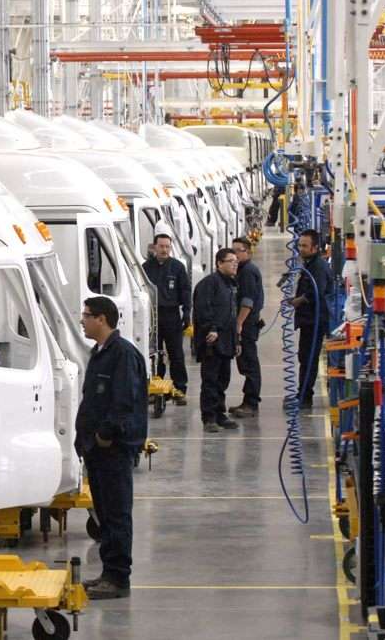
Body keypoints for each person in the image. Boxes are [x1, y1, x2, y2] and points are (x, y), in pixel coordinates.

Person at [76, 295, 148, 600]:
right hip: (97, 449)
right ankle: (108, 572)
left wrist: (106, 434)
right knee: (106, 513)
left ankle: (119, 578)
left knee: (117, 515)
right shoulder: (101, 352)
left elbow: (124, 401)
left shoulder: (123, 354)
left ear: (102, 319)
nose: (82, 320)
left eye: (86, 315)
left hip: (113, 450)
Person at [192, 249, 241, 433]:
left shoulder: (230, 284)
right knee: (210, 380)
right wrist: (211, 329)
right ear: (219, 263)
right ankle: (209, 417)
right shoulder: (209, 284)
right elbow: (203, 310)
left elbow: (232, 314)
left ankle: (220, 413)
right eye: (230, 261)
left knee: (223, 380)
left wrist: (236, 340)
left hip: (227, 340)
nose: (235, 264)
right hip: (212, 341)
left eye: (236, 261)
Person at [141, 233, 191, 408]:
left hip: (171, 316)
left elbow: (185, 291)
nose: (164, 250)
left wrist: (187, 313)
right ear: (154, 247)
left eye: (167, 247)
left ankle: (180, 389)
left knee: (176, 353)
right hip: (153, 317)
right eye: (161, 246)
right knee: (155, 354)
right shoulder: (145, 268)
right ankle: (156, 387)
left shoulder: (177, 267)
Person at [289, 229, 336, 409]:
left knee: (308, 358)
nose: (300, 249)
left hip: (315, 320)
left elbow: (315, 292)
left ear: (315, 248)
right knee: (304, 356)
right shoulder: (310, 263)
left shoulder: (318, 267)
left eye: (304, 246)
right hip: (308, 319)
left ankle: (305, 397)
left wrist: (296, 301)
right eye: (299, 245)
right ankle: (303, 393)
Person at [230, 237, 264, 418]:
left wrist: (239, 324)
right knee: (245, 362)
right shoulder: (241, 270)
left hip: (247, 325)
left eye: (238, 251)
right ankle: (247, 401)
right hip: (246, 323)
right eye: (232, 250)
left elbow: (247, 302)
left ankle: (251, 403)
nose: (234, 254)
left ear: (248, 252)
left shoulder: (248, 272)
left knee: (250, 362)